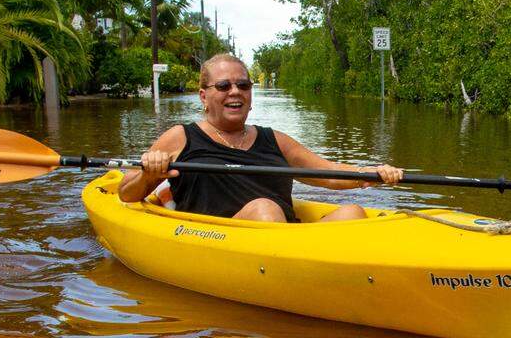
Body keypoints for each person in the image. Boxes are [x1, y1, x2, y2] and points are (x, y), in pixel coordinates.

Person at [118, 53, 404, 222]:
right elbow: (126, 192)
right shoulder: (181, 137)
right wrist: (149, 174)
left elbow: (328, 174)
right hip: (223, 240)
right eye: (223, 85)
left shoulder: (274, 140)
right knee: (265, 209)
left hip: (282, 239)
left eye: (243, 85)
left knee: (352, 213)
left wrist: (373, 172)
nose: (235, 91)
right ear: (204, 96)